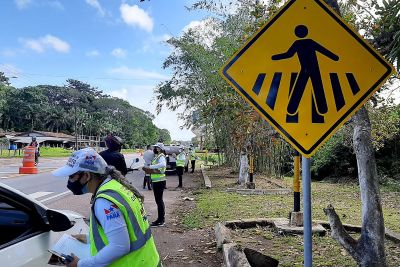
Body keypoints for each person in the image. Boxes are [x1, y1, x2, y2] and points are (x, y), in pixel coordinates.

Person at [52, 148, 160, 267]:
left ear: (87, 175)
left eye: (72, 176)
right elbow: (124, 232)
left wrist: (80, 264)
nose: (70, 181)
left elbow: (119, 247)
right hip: (148, 260)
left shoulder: (105, 200)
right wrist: (90, 239)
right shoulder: (116, 186)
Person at [143, 143, 166, 227]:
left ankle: (161, 220)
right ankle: (160, 219)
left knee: (159, 201)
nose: (154, 148)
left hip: (159, 181)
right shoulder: (157, 156)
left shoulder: (161, 156)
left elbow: (163, 164)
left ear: (159, 148)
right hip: (157, 181)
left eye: (156, 147)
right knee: (159, 201)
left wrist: (151, 167)